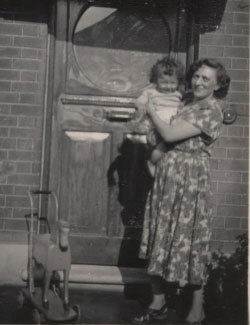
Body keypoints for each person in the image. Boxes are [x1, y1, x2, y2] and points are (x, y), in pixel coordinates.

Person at [132, 58, 230, 324]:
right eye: (196, 76)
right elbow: (163, 138)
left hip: (190, 181)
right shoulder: (187, 103)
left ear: (217, 85)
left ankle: (197, 309)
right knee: (160, 232)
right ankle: (158, 300)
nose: (198, 82)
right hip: (167, 176)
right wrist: (153, 150)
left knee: (190, 240)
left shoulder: (211, 110)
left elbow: (172, 135)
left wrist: (151, 111)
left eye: (206, 79)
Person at [135, 57, 184, 176]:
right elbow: (138, 102)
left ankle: (161, 167)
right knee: (161, 145)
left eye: (172, 83)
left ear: (178, 82)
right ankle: (152, 162)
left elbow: (182, 107)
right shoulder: (150, 92)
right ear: (155, 81)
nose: (168, 86)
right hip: (157, 124)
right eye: (164, 82)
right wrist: (140, 107)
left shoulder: (178, 94)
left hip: (172, 124)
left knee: (169, 147)